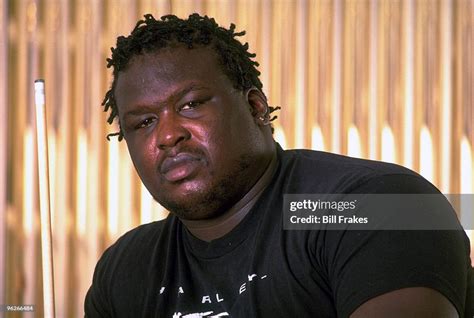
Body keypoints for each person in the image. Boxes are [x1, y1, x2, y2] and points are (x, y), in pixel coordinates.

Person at [85, 13, 472, 317]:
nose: (168, 135)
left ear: (256, 108)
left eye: (190, 104)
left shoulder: (375, 203)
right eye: (143, 123)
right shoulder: (127, 269)